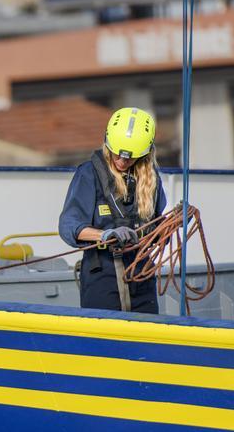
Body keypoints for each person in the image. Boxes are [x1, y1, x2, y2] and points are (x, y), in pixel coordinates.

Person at [58, 107, 166, 312]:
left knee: (146, 338)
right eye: (118, 154)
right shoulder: (88, 175)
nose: (122, 161)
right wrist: (105, 234)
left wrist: (173, 221)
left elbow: (158, 230)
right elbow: (69, 225)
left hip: (141, 275)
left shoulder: (151, 181)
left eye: (130, 157)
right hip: (102, 276)